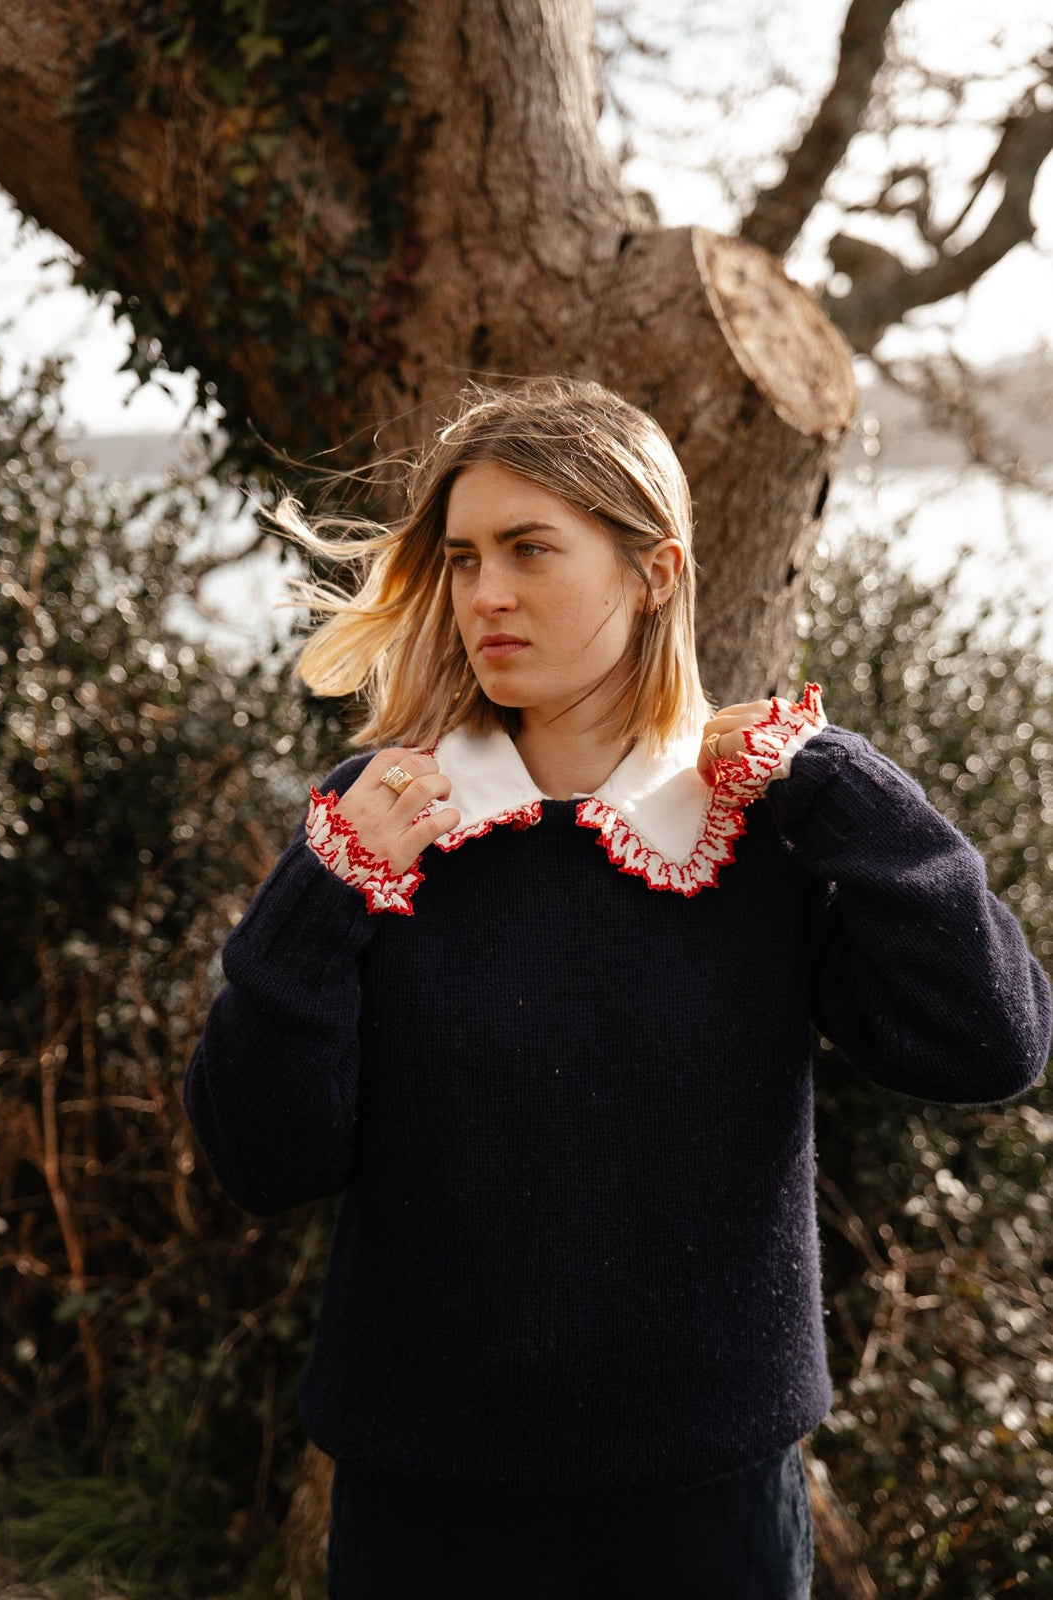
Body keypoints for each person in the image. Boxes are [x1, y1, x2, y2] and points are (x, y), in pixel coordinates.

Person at [184, 376, 1051, 1600]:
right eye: (465, 554)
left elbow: (992, 1043)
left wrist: (847, 785)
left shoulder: (765, 828)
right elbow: (261, 1158)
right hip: (425, 1500)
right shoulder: (380, 819)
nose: (485, 592)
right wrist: (323, 894)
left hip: (710, 1509)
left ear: (654, 571)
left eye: (531, 549)